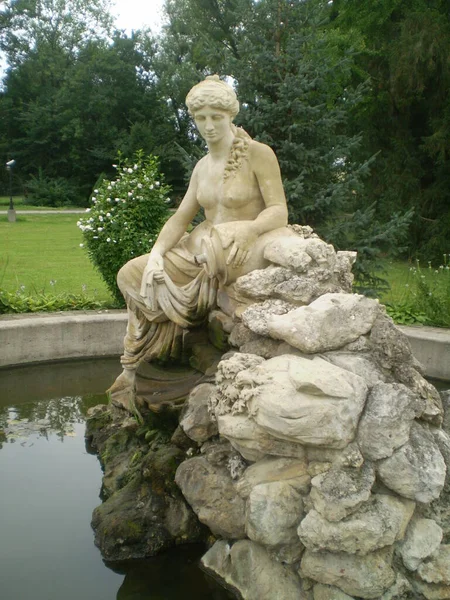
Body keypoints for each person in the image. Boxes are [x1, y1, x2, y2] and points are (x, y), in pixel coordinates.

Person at [108, 75, 288, 410]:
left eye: (215, 118)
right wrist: (158, 255)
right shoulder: (202, 167)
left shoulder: (258, 154)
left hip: (236, 250)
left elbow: (279, 211)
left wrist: (250, 229)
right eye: (200, 118)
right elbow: (180, 218)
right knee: (132, 274)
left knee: (210, 256)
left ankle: (193, 344)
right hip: (198, 249)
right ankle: (153, 356)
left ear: (230, 116)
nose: (208, 126)